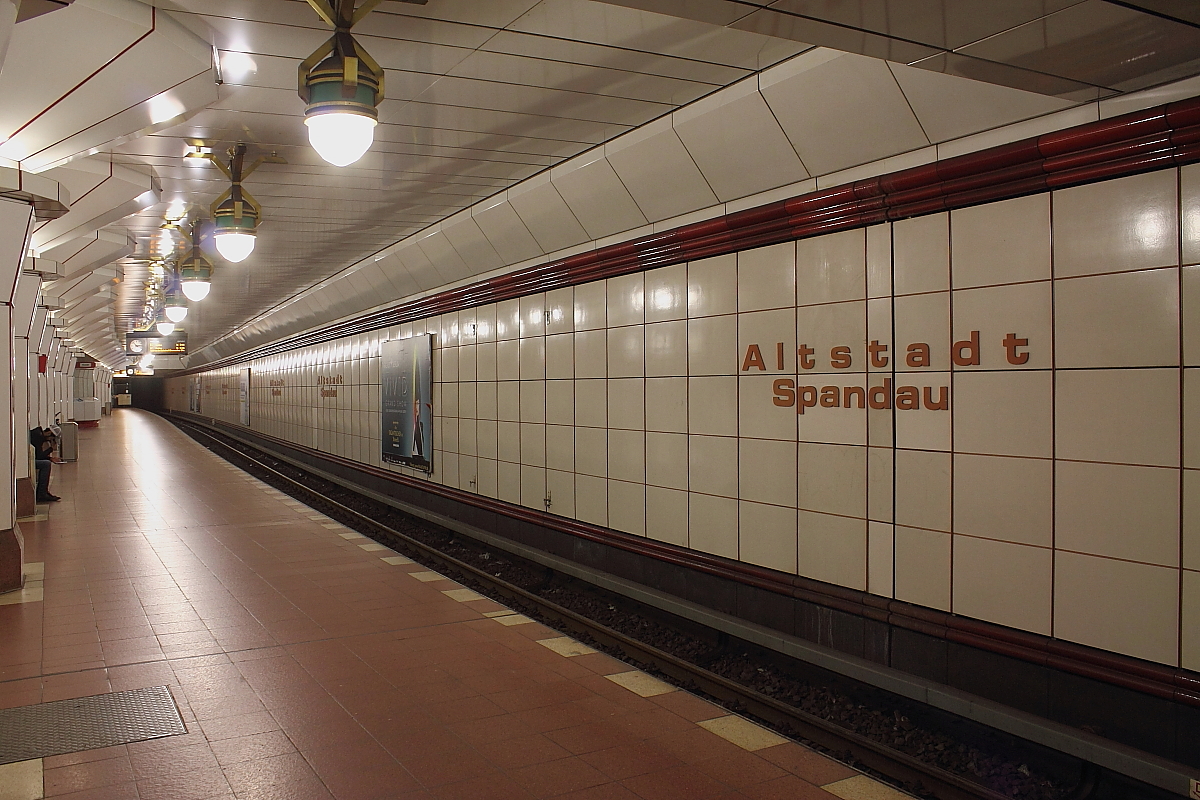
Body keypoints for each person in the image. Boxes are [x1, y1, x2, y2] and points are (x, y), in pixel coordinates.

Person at [30, 427, 60, 502]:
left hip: (29, 459)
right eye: (51, 439)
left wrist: (50, 458)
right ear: (49, 433)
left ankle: (43, 492)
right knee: (46, 464)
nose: (49, 440)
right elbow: (39, 456)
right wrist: (51, 449)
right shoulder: (38, 436)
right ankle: (42, 493)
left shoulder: (38, 433)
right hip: (26, 461)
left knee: (46, 463)